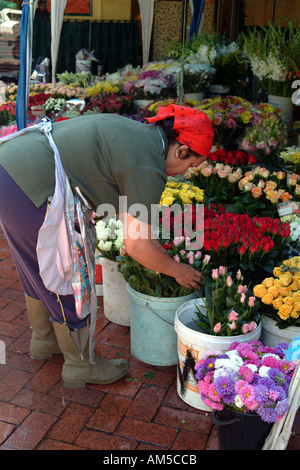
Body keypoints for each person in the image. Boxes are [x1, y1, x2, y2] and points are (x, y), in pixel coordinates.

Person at [0, 104, 214, 389]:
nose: (182, 174)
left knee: (36, 266)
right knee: (67, 273)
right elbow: (137, 246)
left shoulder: (141, 136)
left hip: (11, 170)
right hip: (31, 184)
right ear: (181, 150)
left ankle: (44, 341)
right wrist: (178, 270)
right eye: (190, 165)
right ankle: (80, 366)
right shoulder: (148, 163)